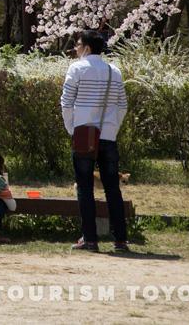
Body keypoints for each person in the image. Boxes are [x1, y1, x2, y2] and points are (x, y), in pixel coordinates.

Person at [61, 29, 130, 253]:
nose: (76, 49)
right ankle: (120, 239)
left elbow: (67, 101)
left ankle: (90, 239)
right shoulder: (114, 71)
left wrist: (72, 128)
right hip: (108, 135)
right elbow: (122, 105)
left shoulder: (77, 68)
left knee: (85, 187)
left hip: (83, 133)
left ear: (87, 47)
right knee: (113, 189)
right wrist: (112, 128)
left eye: (78, 45)